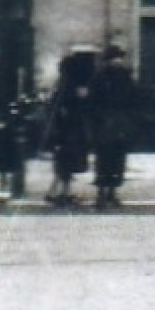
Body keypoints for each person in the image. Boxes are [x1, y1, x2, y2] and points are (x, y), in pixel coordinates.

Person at [88, 45, 138, 210]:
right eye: (114, 58)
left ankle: (113, 192)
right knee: (104, 159)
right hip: (104, 123)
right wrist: (97, 120)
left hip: (121, 123)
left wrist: (130, 120)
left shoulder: (126, 77)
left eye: (119, 58)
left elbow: (133, 99)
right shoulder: (100, 78)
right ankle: (101, 193)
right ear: (108, 61)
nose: (118, 61)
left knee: (118, 158)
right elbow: (93, 101)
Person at [44, 53, 94, 206]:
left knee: (63, 164)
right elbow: (69, 110)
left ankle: (60, 192)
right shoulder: (70, 88)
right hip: (69, 132)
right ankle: (56, 192)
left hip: (64, 131)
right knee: (65, 164)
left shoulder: (62, 85)